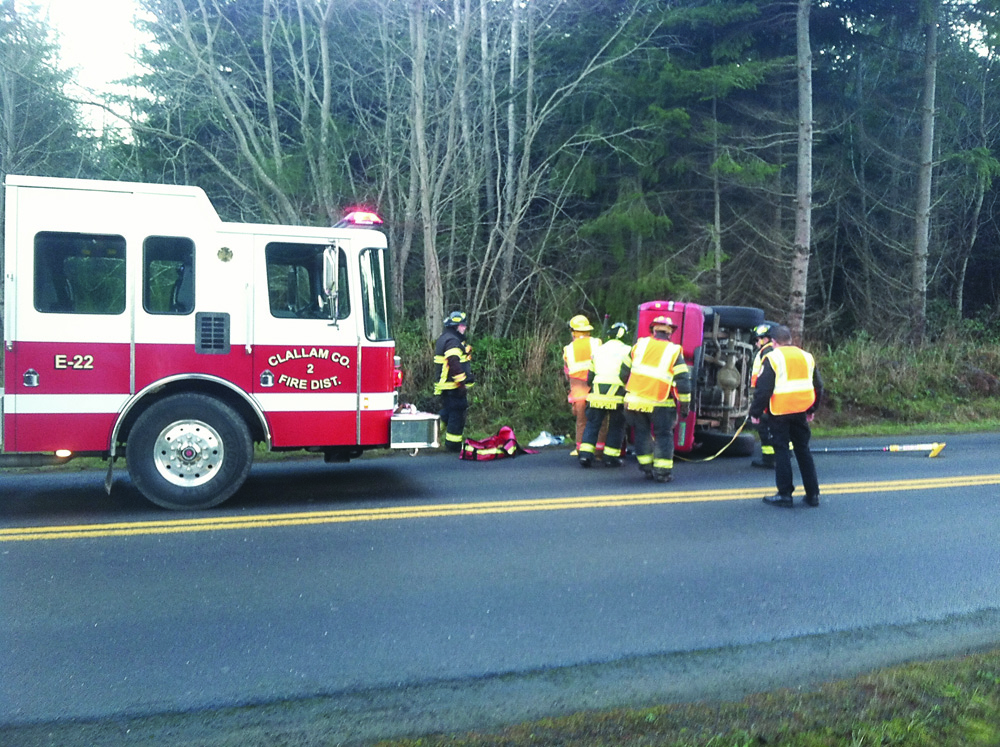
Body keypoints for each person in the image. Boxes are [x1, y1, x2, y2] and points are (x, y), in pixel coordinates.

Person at [749, 324, 823, 507]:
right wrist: (812, 409)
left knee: (781, 451)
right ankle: (813, 494)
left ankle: (785, 494)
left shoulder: (772, 358)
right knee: (803, 450)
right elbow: (818, 386)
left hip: (780, 411)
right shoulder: (806, 357)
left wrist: (755, 413)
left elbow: (763, 389)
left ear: (774, 342)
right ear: (790, 340)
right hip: (801, 410)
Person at [623, 315, 692, 482]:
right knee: (663, 435)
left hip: (635, 401)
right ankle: (662, 473)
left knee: (641, 433)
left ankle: (646, 468)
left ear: (653, 330)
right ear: (669, 333)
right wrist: (685, 404)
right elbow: (683, 380)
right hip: (660, 401)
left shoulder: (639, 346)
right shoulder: (674, 351)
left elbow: (623, 372)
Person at [579, 322, 632, 468]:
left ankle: (585, 455)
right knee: (617, 426)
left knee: (593, 424)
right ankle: (610, 458)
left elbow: (590, 377)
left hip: (596, 395)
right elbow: (626, 375)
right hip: (617, 396)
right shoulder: (628, 350)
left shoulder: (598, 350)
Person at [434, 310, 475, 452]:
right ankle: (453, 445)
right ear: (455, 326)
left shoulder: (447, 338)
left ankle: (429, 435)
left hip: (447, 386)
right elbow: (454, 363)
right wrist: (462, 383)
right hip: (453, 386)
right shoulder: (452, 341)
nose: (465, 327)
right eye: (462, 325)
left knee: (447, 412)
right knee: (457, 414)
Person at [563, 314, 602, 455]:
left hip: (578, 391)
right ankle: (598, 450)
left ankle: (580, 449)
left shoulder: (568, 349)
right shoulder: (597, 343)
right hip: (596, 390)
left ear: (573, 331)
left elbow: (567, 373)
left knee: (581, 422)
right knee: (600, 422)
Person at [749, 322, 778, 468]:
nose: (756, 343)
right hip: (770, 395)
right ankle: (776, 456)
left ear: (765, 339)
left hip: (767, 396)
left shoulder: (767, 353)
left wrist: (758, 402)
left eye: (757, 339)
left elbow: (764, 378)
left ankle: (769, 459)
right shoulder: (768, 351)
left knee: (765, 427)